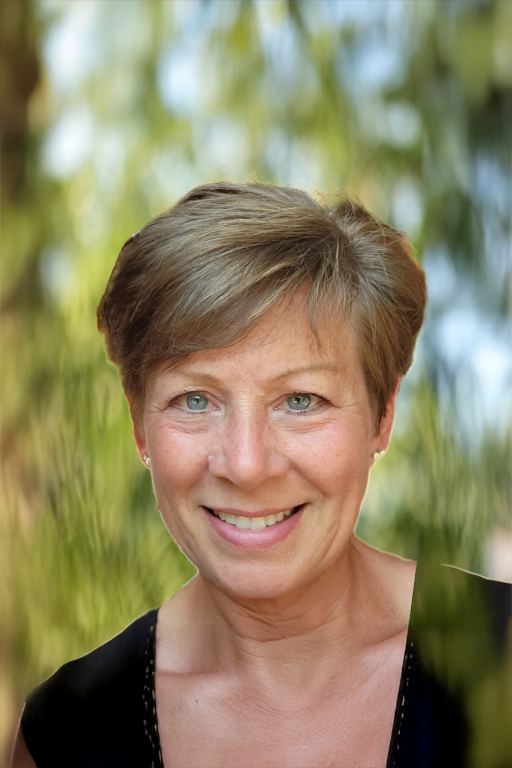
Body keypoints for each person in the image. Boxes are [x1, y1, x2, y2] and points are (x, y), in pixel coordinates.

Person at [12, 182, 511, 768]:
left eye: (301, 400)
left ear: (382, 415)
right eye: (195, 400)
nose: (246, 465)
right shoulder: (66, 734)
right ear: (139, 427)